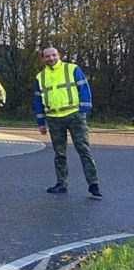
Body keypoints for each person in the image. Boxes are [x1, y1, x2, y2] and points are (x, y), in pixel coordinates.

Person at [34, 47, 101, 199]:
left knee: (83, 149)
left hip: (74, 115)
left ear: (59, 55)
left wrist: (83, 110)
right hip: (54, 118)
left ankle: (93, 184)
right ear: (42, 59)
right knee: (59, 153)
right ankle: (61, 184)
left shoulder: (72, 69)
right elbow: (38, 100)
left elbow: (84, 88)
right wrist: (41, 121)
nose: (51, 58)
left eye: (53, 55)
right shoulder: (40, 77)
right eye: (47, 56)